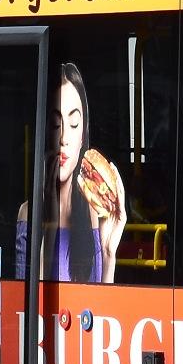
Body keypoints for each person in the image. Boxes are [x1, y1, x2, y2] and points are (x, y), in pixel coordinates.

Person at [46, 63, 124, 283]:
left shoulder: (95, 215)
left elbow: (101, 307)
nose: (63, 138)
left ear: (83, 135)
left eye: (73, 123)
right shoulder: (28, 213)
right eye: (54, 124)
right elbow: (27, 299)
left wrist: (109, 255)